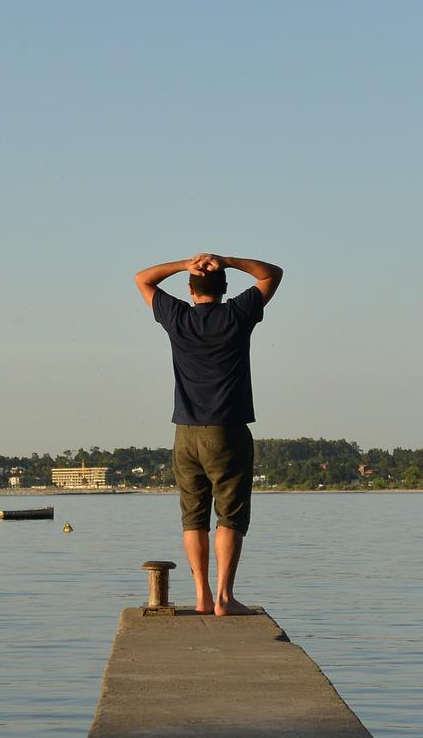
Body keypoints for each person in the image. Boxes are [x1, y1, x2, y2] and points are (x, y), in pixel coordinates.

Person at [135, 253, 283, 616]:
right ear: (225, 289)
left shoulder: (178, 317)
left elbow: (143, 279)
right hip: (227, 430)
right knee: (229, 516)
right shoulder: (236, 314)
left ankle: (201, 596)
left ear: (189, 289)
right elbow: (271, 274)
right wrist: (226, 261)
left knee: (193, 517)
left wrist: (186, 263)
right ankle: (223, 598)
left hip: (185, 432)